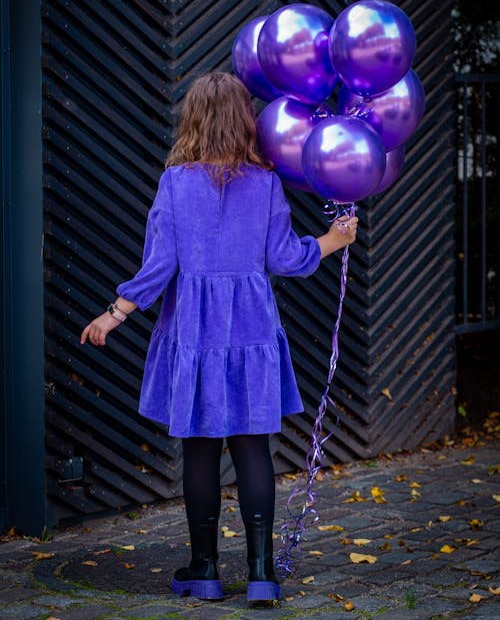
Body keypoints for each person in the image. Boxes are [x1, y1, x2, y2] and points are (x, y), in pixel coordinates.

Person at [80, 72, 358, 603]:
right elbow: (284, 259)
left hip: (195, 333)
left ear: (193, 119)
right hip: (252, 330)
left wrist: (114, 313)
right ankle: (261, 575)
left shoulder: (175, 182)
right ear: (245, 120)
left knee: (201, 449)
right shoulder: (268, 182)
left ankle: (204, 571)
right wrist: (332, 239)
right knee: (254, 446)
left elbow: (160, 265)